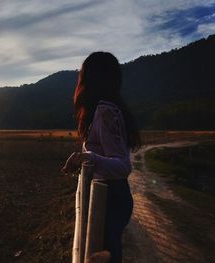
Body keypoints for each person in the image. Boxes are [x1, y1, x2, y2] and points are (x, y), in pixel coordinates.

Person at [61, 51, 141, 263]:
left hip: (111, 199)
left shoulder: (105, 111)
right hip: (109, 197)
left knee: (105, 256)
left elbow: (123, 166)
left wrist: (88, 158)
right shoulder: (103, 110)